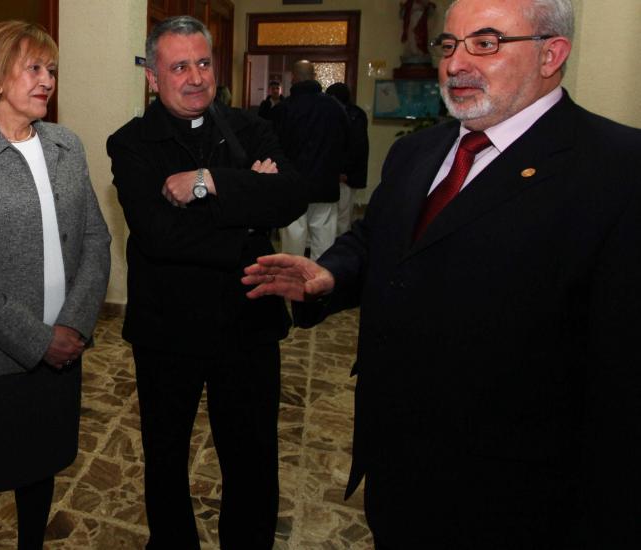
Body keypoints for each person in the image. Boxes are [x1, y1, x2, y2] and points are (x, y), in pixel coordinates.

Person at [243, 0, 641, 546]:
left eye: (486, 43)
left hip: (517, 496)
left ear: (552, 53)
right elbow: (376, 239)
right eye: (449, 45)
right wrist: (330, 274)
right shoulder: (418, 152)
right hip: (397, 465)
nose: (456, 64)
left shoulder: (618, 169)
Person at [107, 15, 307, 549]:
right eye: (179, 66)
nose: (195, 77)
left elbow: (291, 196)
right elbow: (159, 237)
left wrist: (209, 182)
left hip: (248, 326)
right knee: (166, 460)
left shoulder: (251, 127)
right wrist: (247, 215)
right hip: (167, 333)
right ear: (153, 77)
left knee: (253, 462)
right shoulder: (131, 144)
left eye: (203, 62)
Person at [0, 21, 111, 549]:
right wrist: (39, 341)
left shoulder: (66, 145)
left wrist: (72, 327)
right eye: (33, 67)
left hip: (64, 353)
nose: (47, 79)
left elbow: (96, 241)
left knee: (42, 472)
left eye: (51, 69)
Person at [268, 60, 349, 259]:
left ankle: (291, 280)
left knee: (292, 239)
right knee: (323, 238)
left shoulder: (282, 110)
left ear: (293, 78)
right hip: (325, 182)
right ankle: (320, 281)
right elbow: (345, 142)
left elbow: (273, 148)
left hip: (292, 184)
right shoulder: (334, 107)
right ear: (314, 76)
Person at [325, 82, 369, 235]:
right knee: (343, 215)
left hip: (344, 176)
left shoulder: (346, 115)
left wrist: (344, 171)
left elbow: (353, 147)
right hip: (347, 174)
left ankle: (339, 249)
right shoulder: (357, 113)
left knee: (340, 215)